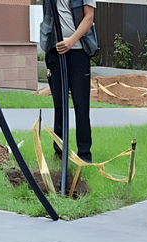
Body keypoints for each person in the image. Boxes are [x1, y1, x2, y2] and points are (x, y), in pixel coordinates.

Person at [40, 0, 97, 164]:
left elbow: (89, 17)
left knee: (81, 105)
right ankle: (59, 153)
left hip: (78, 52)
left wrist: (71, 41)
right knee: (60, 106)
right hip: (54, 51)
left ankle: (84, 155)